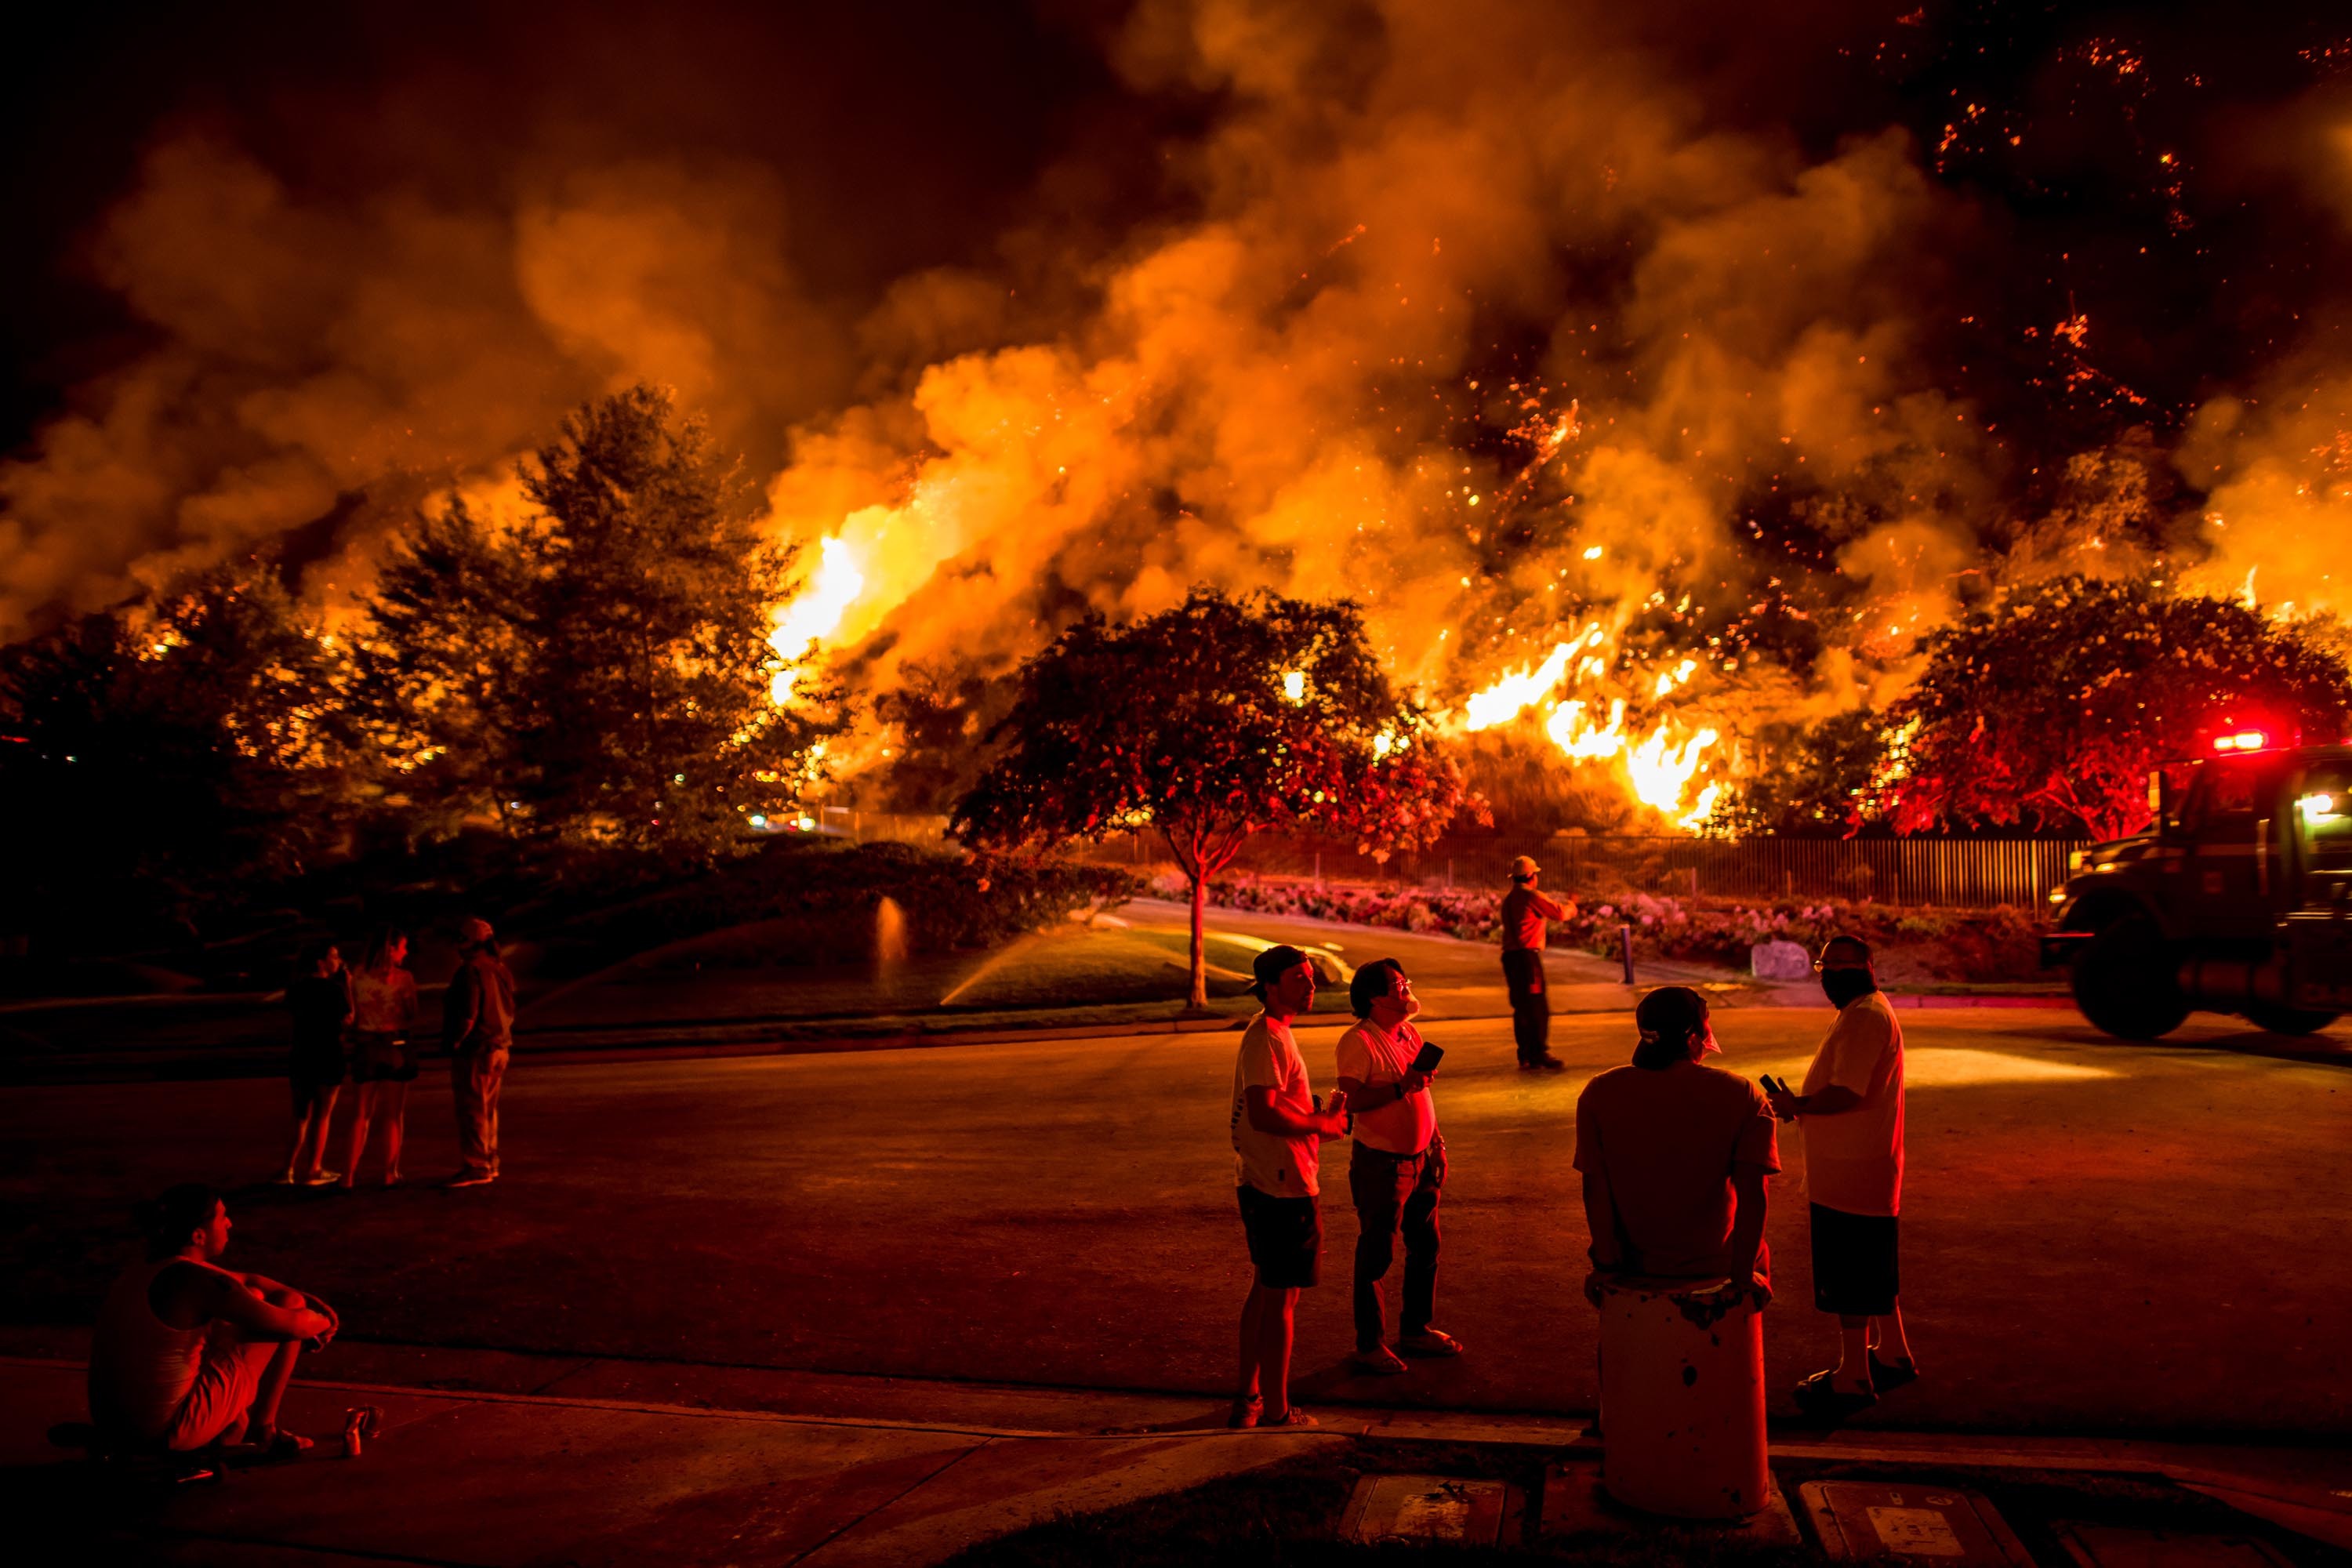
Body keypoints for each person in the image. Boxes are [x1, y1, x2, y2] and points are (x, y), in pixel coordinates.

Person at [1764, 935, 1915, 1414]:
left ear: (1848, 970)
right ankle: (1893, 1353)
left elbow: (1847, 1091)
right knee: (1873, 1268)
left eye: (1828, 969)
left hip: (1851, 1170)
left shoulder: (1865, 1017)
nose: (1825, 978)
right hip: (1865, 1164)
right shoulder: (1867, 1009)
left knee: (1850, 1275)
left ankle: (1853, 1376)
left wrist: (1796, 1105)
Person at [87, 1184, 339, 1454]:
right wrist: (324, 1322)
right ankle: (263, 1430)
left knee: (257, 1297)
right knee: (288, 1308)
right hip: (165, 1432)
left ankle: (230, 1429)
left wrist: (297, 1298)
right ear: (198, 1235)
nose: (230, 1224)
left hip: (114, 1425)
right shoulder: (198, 1282)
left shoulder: (153, 1268)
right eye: (222, 1217)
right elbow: (294, 1325)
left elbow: (246, 1281)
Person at [1574, 986, 1777, 1290]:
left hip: (1633, 1264)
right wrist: (1743, 1278)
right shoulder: (1743, 1096)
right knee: (1761, 1253)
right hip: (1714, 1263)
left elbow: (1595, 1188)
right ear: (1695, 1035)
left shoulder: (1599, 1093)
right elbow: (1753, 1195)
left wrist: (1606, 1265)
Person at [1229, 944, 1349, 1428]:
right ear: (1272, 987)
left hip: (1268, 1179)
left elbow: (1277, 1104)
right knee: (1282, 1299)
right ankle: (1277, 1411)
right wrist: (1323, 1125)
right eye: (1300, 977)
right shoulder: (1267, 1038)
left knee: (1266, 1289)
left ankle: (1249, 1397)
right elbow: (1263, 1111)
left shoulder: (1274, 1034)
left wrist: (1318, 1115)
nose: (1311, 984)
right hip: (1281, 1185)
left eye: (1311, 976)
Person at [1334, 959, 1461, 1375]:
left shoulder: (1408, 1032)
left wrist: (1437, 1142)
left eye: (1405, 981)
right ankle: (1370, 1344)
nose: (1405, 989)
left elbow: (1423, 1096)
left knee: (1426, 1247)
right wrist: (1399, 1086)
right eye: (1396, 984)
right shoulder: (1360, 1042)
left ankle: (1415, 1330)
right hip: (1382, 1162)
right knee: (1378, 1252)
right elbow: (1351, 1102)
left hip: (1421, 1157)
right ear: (1374, 996)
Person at [342, 926, 421, 1189]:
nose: (406, 952)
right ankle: (389, 1172)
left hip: (366, 1045)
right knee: (393, 1113)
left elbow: (352, 1012)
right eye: (402, 947)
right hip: (394, 1044)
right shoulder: (404, 978)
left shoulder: (358, 977)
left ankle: (348, 1175)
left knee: (361, 1114)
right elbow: (411, 1015)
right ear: (390, 949)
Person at [443, 916, 517, 1189]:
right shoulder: (500, 969)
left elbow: (468, 1015)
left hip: (477, 1048)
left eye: (462, 940)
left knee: (472, 1108)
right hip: (499, 1047)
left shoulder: (471, 971)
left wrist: (455, 1041)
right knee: (488, 1109)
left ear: (471, 942)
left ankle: (475, 1166)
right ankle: (490, 1160)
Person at [281, 941, 351, 1185]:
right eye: (334, 955)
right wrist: (348, 986)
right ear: (321, 962)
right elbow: (348, 1019)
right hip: (328, 1053)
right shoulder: (334, 990)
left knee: (300, 1115)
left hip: (302, 1053)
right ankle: (314, 1169)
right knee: (323, 1114)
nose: (339, 959)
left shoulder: (296, 989)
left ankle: (287, 1170)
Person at [1500, 855, 1570, 1070]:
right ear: (1531, 876)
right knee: (1537, 1005)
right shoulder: (1531, 896)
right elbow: (1559, 913)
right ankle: (1539, 1052)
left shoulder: (1510, 899)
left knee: (1521, 1006)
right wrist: (1572, 904)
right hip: (1527, 958)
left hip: (1511, 957)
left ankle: (1526, 1054)